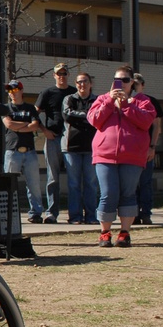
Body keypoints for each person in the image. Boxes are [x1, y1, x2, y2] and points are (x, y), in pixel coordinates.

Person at [87, 66, 156, 248]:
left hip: (132, 156)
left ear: (132, 82)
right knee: (108, 193)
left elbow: (146, 121)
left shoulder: (142, 101)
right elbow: (94, 119)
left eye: (125, 80)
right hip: (105, 155)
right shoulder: (103, 99)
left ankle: (124, 233)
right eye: (118, 80)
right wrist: (110, 101)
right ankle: (105, 233)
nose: (122, 83)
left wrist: (126, 105)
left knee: (128, 193)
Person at [35, 63, 76, 223]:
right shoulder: (47, 93)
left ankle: (75, 214)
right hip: (52, 139)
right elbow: (34, 113)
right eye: (59, 74)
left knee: (74, 179)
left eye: (64, 73)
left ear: (68, 75)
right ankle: (51, 213)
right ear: (54, 75)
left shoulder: (74, 93)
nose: (62, 76)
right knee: (53, 178)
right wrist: (44, 130)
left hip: (71, 140)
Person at [2, 80, 45, 224]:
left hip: (30, 152)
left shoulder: (30, 108)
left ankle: (36, 213)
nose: (13, 93)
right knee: (9, 184)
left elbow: (36, 126)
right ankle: (9, 213)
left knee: (34, 185)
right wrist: (26, 124)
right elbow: (9, 124)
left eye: (15, 90)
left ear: (21, 91)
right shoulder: (5, 108)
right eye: (10, 91)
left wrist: (19, 126)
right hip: (12, 151)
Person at [61, 73, 98, 224]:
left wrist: (83, 118)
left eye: (85, 81)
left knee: (90, 183)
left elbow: (99, 117)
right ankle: (75, 217)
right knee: (74, 184)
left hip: (92, 147)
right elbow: (67, 115)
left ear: (90, 83)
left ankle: (91, 217)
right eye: (79, 82)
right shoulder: (69, 99)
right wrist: (88, 116)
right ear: (76, 84)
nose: (82, 84)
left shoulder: (97, 100)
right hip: (71, 147)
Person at [131, 73, 163, 225]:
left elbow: (157, 126)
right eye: (132, 83)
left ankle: (146, 213)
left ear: (142, 85)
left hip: (146, 150)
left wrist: (152, 146)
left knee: (145, 183)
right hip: (130, 150)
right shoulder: (125, 101)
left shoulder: (151, 101)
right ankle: (133, 214)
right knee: (131, 184)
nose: (134, 86)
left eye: (136, 83)